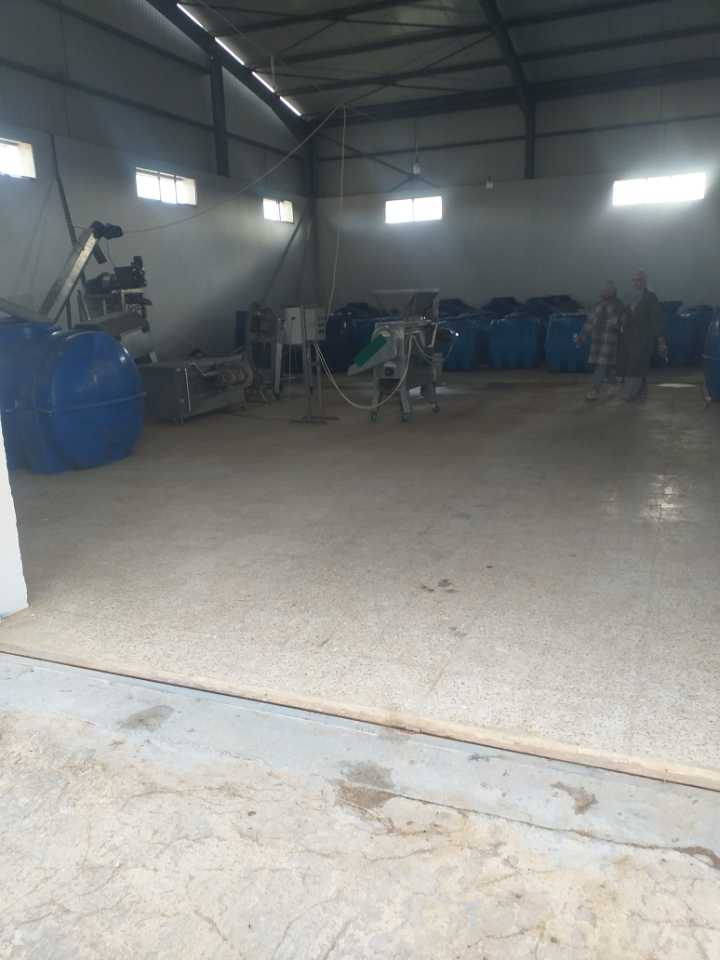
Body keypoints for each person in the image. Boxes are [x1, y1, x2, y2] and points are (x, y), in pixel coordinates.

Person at [616, 271, 667, 402]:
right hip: (629, 337)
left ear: (644, 281)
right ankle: (640, 392)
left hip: (644, 337)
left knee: (637, 364)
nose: (635, 282)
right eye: (634, 280)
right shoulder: (628, 296)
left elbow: (656, 319)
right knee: (635, 365)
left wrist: (660, 339)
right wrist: (621, 320)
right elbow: (622, 313)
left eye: (638, 280)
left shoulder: (650, 297)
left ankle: (630, 393)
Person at [577, 281, 623, 401]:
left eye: (608, 289)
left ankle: (595, 390)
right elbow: (590, 322)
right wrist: (582, 336)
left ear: (613, 291)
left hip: (609, 341)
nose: (604, 291)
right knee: (605, 366)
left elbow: (620, 323)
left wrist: (617, 325)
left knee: (601, 365)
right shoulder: (597, 305)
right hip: (597, 340)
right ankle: (614, 384)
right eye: (603, 289)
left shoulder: (618, 305)